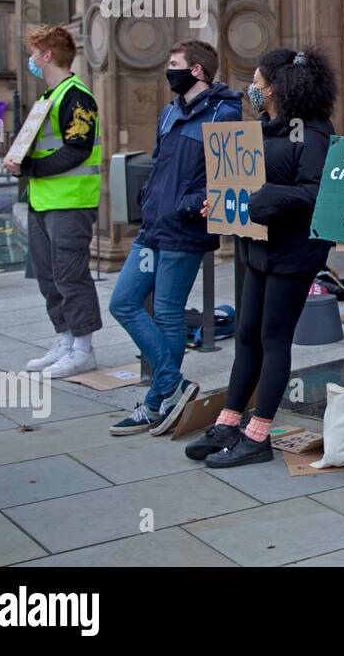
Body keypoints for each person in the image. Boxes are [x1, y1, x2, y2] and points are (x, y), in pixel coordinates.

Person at [185, 47, 337, 468]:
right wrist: (220, 203)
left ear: (274, 88)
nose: (250, 89)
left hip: (293, 253)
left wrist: (266, 198)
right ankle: (230, 421)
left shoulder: (314, 134)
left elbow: (316, 192)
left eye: (256, 82)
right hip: (257, 249)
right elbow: (245, 187)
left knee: (273, 340)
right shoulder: (266, 130)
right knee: (248, 334)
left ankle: (258, 434)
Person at [107, 40, 243, 435]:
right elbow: (159, 162)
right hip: (153, 228)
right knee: (124, 302)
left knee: (167, 313)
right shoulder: (169, 113)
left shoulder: (225, 112)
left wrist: (193, 202)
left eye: (175, 64)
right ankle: (173, 385)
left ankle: (154, 403)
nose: (170, 71)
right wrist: (148, 197)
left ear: (197, 70)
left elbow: (232, 175)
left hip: (183, 229)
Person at [8, 26, 103, 378]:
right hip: (44, 200)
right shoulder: (51, 95)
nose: (31, 59)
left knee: (69, 276)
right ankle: (64, 339)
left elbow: (77, 150)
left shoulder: (77, 96)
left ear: (47, 55)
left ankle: (83, 348)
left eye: (35, 52)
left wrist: (29, 167)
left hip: (69, 202)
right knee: (49, 278)